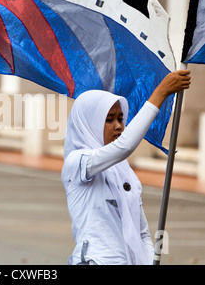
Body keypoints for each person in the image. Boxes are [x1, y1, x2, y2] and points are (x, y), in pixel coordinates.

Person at [61, 70, 191, 265]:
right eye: (109, 119)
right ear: (88, 123)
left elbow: (142, 233)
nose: (119, 126)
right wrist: (161, 93)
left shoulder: (123, 171)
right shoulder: (77, 162)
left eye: (120, 119)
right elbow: (125, 147)